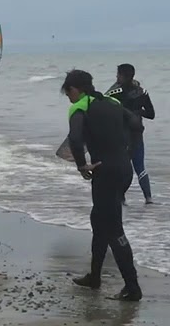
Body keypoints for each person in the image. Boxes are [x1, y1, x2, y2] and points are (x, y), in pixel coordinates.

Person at [61, 69, 143, 301]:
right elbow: (136, 123)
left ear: (74, 90)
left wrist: (81, 166)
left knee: (113, 227)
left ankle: (133, 287)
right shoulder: (113, 102)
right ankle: (94, 277)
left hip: (104, 171)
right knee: (99, 219)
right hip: (124, 169)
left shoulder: (80, 107)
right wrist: (126, 149)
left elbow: (76, 140)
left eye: (68, 94)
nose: (69, 99)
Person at [105, 63, 156, 205]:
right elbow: (151, 114)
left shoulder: (115, 92)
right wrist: (138, 112)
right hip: (137, 133)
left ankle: (121, 198)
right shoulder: (142, 92)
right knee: (140, 167)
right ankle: (149, 198)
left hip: (121, 136)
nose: (116, 77)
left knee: (123, 168)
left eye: (117, 74)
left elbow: (103, 108)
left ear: (122, 76)